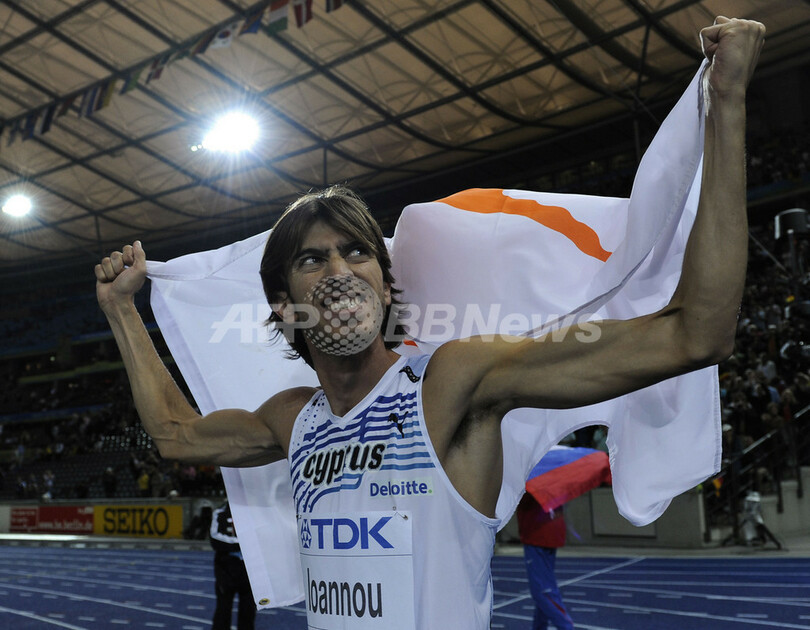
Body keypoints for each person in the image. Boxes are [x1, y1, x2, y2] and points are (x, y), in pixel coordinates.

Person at [94, 17, 765, 630]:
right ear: (281, 302)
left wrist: (728, 104)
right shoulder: (292, 419)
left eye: (358, 252)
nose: (339, 270)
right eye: (312, 259)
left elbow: (695, 334)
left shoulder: (450, 383)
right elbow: (175, 436)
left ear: (388, 287)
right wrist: (122, 309)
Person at [517, 493, 573, 630]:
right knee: (544, 587)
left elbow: (521, 497)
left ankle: (566, 627)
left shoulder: (533, 482)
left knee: (541, 592)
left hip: (537, 533)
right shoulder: (553, 480)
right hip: (551, 528)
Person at [209, 501, 256, 630]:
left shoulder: (253, 512)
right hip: (226, 569)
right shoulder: (219, 513)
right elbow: (215, 539)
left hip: (249, 568)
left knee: (248, 610)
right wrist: (243, 544)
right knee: (223, 608)